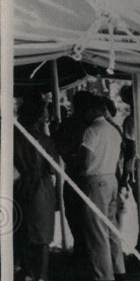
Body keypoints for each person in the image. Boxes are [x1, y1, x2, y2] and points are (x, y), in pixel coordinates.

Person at [14, 96, 60, 281]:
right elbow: (53, 167)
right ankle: (42, 276)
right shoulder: (44, 140)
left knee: (23, 229)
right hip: (40, 186)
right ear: (39, 116)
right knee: (42, 233)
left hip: (20, 184)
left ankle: (27, 273)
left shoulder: (14, 136)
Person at [80, 95, 126, 281]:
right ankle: (118, 268)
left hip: (96, 179)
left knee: (96, 228)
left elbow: (87, 158)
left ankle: (103, 275)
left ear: (93, 111)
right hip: (111, 178)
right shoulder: (114, 130)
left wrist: (81, 169)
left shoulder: (92, 130)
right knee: (112, 225)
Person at [52, 90, 92, 262]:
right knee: (79, 212)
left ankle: (82, 247)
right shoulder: (88, 124)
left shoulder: (81, 124)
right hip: (83, 172)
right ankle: (84, 247)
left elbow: (58, 146)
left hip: (78, 172)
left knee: (75, 212)